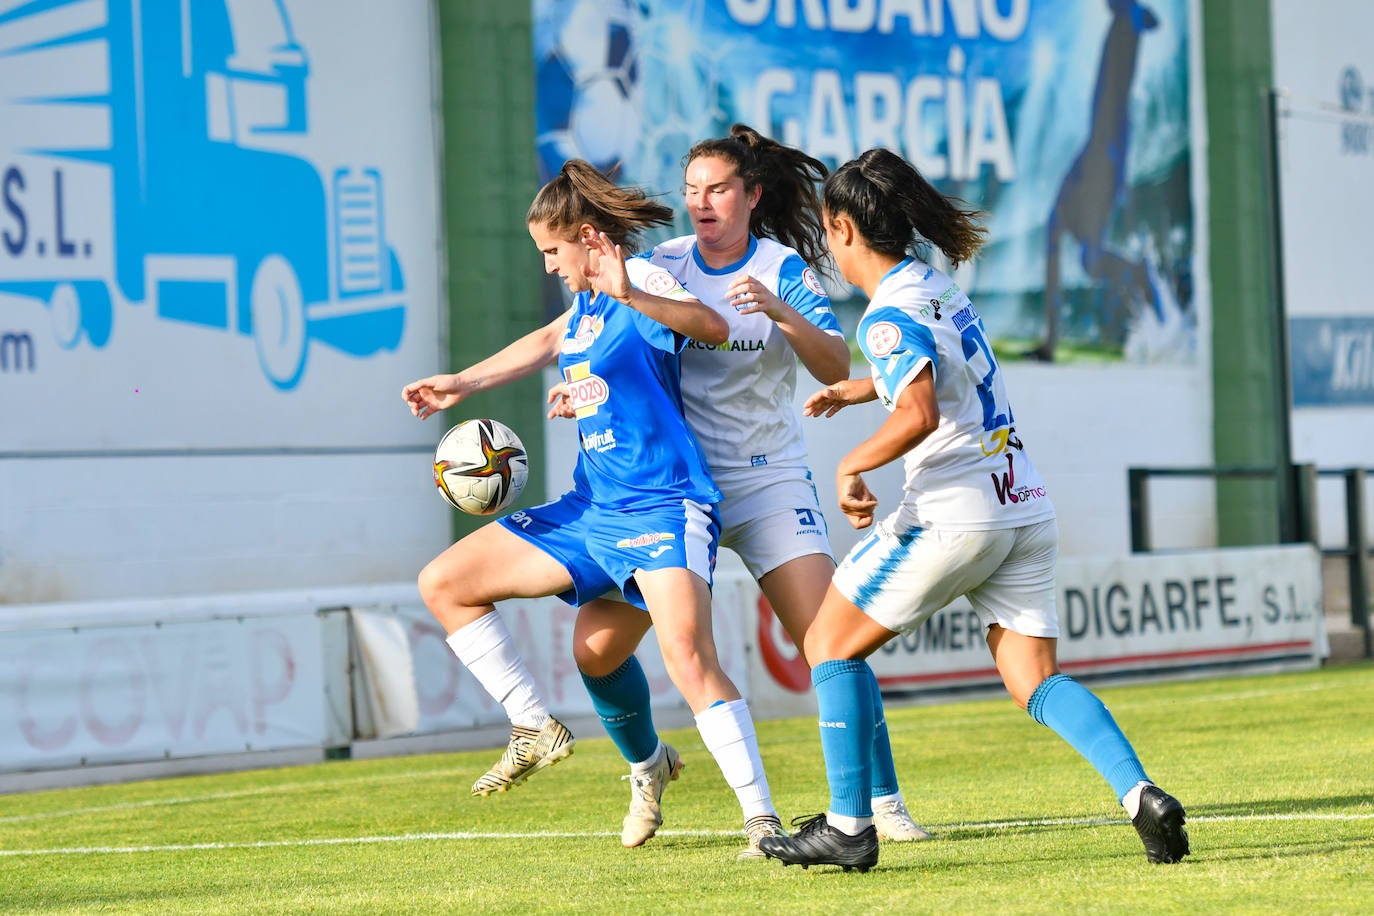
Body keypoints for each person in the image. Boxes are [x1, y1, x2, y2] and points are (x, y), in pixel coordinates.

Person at [756, 148, 1190, 871]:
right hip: (1022, 504)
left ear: (843, 229)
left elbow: (921, 411)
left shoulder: (885, 316)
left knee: (828, 643)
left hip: (954, 514)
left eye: (827, 229)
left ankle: (849, 827)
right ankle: (1140, 794)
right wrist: (862, 389)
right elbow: (945, 375)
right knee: (1034, 679)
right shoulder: (936, 287)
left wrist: (851, 464)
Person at [570, 124, 930, 858]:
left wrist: (780, 311)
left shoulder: (780, 266)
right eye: (692, 191)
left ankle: (884, 802)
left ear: (752, 194)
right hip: (674, 493)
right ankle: (647, 767)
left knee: (831, 644)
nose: (703, 203)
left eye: (720, 189)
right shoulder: (661, 265)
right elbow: (597, 337)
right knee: (598, 649)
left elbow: (834, 367)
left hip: (767, 482)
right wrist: (580, 389)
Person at [402, 160, 777, 853]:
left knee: (687, 656)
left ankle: (761, 819)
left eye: (552, 251)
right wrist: (464, 382)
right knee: (456, 588)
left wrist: (630, 290)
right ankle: (547, 730)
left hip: (663, 506)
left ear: (587, 238)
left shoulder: (642, 283)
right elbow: (553, 341)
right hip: (594, 508)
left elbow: (713, 326)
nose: (548, 266)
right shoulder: (585, 310)